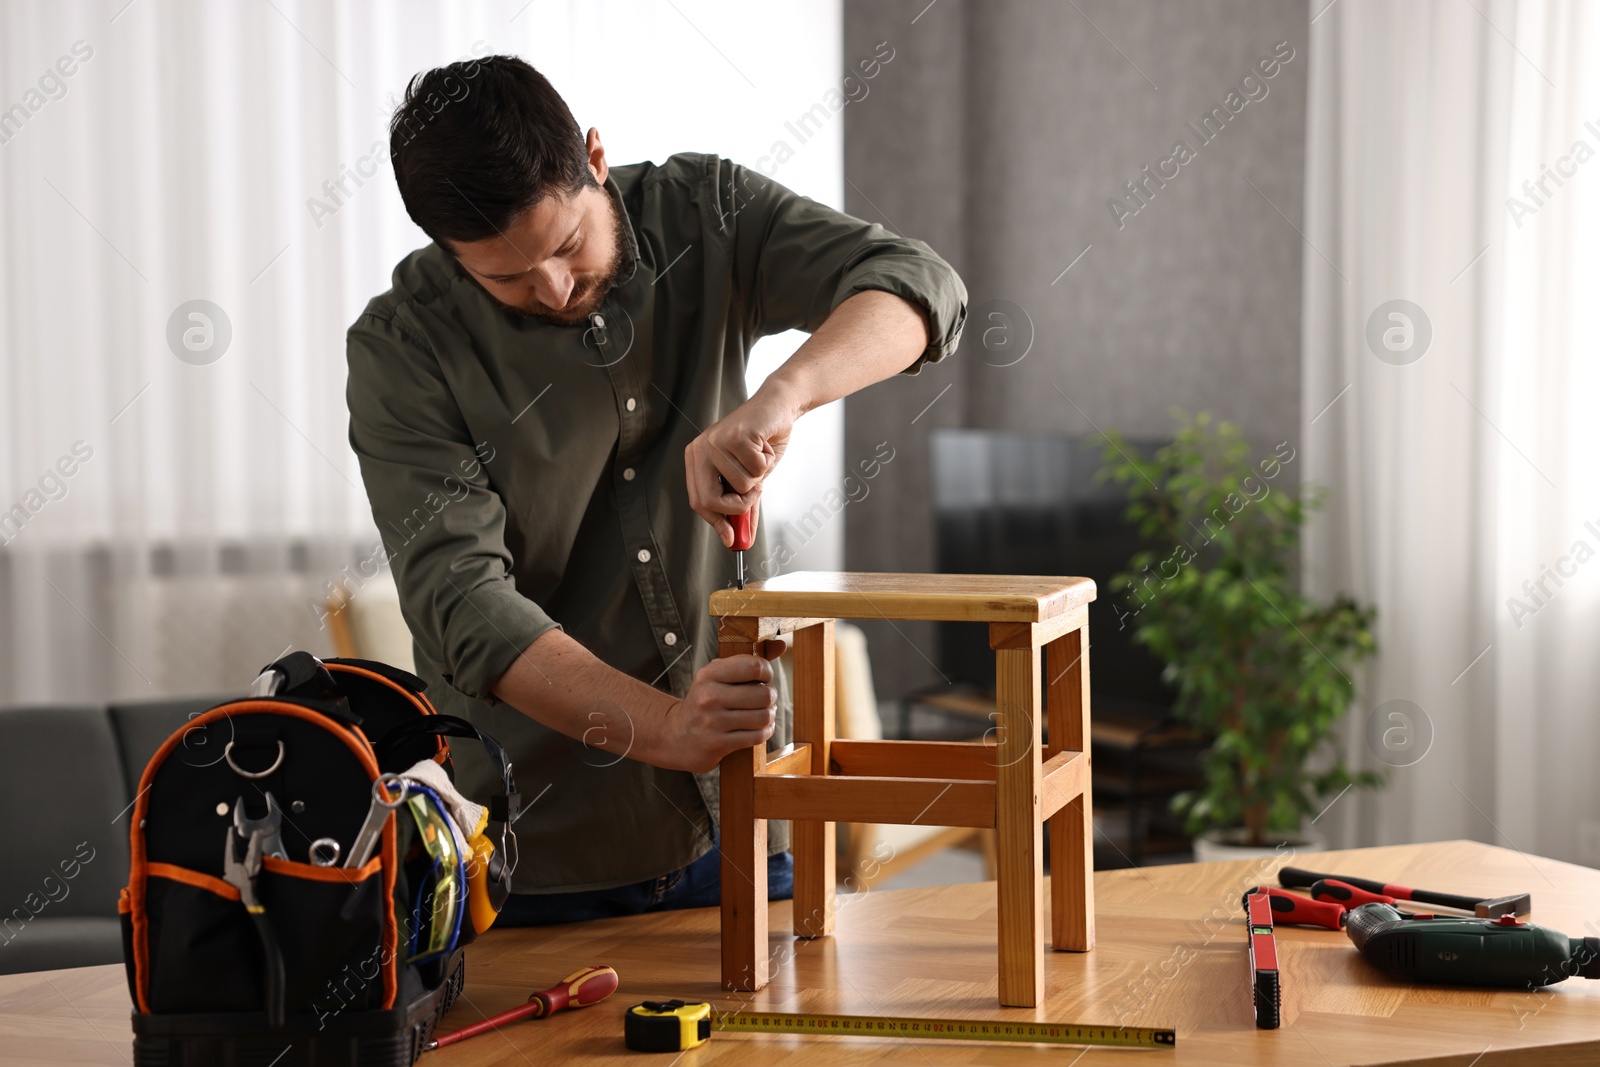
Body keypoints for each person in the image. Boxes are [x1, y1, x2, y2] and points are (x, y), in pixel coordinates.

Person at [345, 55, 966, 923]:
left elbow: (919, 285)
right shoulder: (402, 346)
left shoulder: (705, 213)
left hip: (746, 825)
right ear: (449, 253)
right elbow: (466, 604)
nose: (554, 290)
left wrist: (780, 399)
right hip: (541, 856)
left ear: (595, 158)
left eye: (566, 246)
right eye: (508, 279)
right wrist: (674, 731)